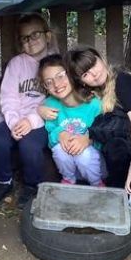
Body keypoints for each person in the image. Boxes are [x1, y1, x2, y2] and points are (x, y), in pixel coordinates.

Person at [65, 46, 131, 226]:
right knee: (115, 148)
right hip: (121, 135)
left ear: (101, 59)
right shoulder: (93, 94)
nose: (94, 73)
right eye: (86, 74)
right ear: (81, 81)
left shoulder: (122, 81)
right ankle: (118, 195)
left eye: (94, 64)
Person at [0, 13, 57, 209]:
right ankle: (3, 182)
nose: (30, 41)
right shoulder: (17, 64)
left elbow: (57, 99)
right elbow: (8, 97)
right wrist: (14, 121)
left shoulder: (55, 64)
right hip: (15, 118)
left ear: (47, 36)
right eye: (25, 38)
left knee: (30, 146)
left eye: (35, 35)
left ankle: (32, 185)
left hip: (42, 119)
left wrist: (31, 121)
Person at [38, 54, 104, 186]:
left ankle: (97, 184)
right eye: (49, 82)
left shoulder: (94, 104)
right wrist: (60, 134)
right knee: (59, 150)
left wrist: (88, 140)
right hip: (68, 165)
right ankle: (68, 180)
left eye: (60, 76)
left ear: (72, 74)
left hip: (95, 164)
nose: (56, 84)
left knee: (84, 156)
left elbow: (103, 135)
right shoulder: (50, 105)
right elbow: (51, 131)